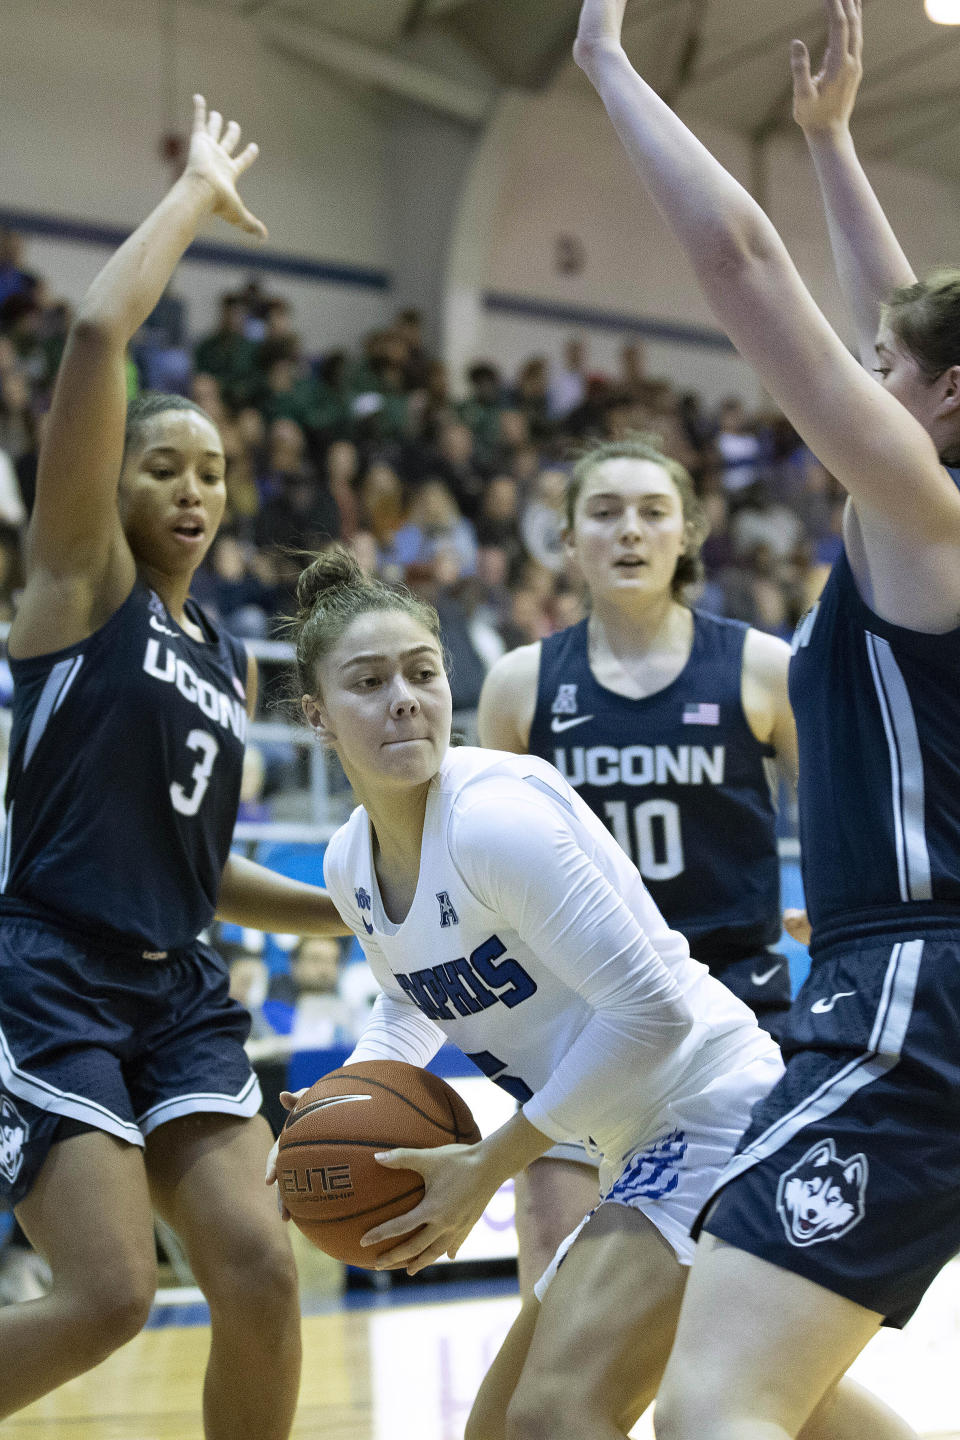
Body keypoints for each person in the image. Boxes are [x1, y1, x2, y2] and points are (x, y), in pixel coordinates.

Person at [266, 544, 901, 1440]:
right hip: (632, 1137)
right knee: (742, 1402)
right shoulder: (348, 862)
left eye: (422, 672)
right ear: (318, 717)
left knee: (558, 1415)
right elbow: (412, 998)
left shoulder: (495, 821)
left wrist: (492, 1162)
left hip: (710, 1105)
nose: (404, 697)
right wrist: (331, 1108)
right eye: (367, 683)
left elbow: (657, 1012)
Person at [574, 1, 960, 1436]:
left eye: (882, 381)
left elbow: (740, 261)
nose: (861, 380)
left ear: (941, 406)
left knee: (714, 1412)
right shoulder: (936, 510)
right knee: (787, 1397)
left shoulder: (923, 516)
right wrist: (833, 142)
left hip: (916, 993)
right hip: (922, 982)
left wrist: (610, 68)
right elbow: (913, 327)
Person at [0, 97, 350, 1434]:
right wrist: (196, 194)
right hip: (51, 972)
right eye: (163, 467)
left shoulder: (232, 659)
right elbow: (98, 334)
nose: (193, 492)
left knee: (262, 1269)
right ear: (119, 484)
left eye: (210, 472)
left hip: (180, 990)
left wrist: (353, 903)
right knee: (106, 1298)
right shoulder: (80, 588)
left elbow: (202, 873)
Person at [478, 432, 797, 1296]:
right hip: (585, 1018)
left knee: (736, 1307)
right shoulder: (521, 684)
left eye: (653, 513)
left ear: (689, 532)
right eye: (605, 513)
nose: (630, 532)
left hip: (738, 1009)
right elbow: (476, 870)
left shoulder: (762, 668)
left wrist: (842, 907)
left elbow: (845, 814)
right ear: (569, 537)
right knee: (554, 1297)